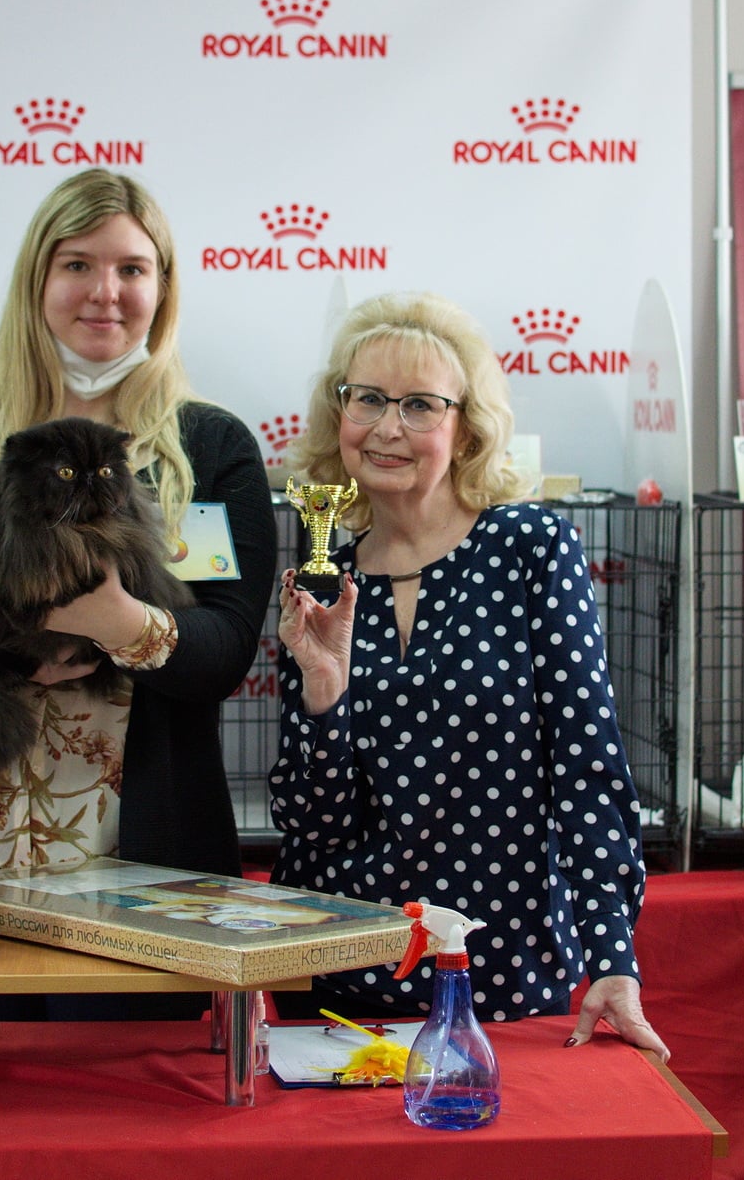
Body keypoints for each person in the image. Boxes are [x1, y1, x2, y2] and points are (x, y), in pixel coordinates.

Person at [0, 168, 276, 1018]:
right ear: (37, 279)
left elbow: (228, 652)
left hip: (148, 862)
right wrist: (5, 648)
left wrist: (120, 623)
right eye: (77, 265)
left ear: (162, 288)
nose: (106, 292)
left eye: (132, 268)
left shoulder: (211, 446)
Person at [270, 292, 669, 1057]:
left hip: (506, 975)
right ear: (338, 414)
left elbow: (588, 767)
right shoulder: (322, 578)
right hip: (342, 976)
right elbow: (313, 823)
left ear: (467, 428)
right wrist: (325, 699)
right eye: (368, 399)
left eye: (420, 404)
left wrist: (613, 957)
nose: (388, 427)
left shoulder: (531, 548)